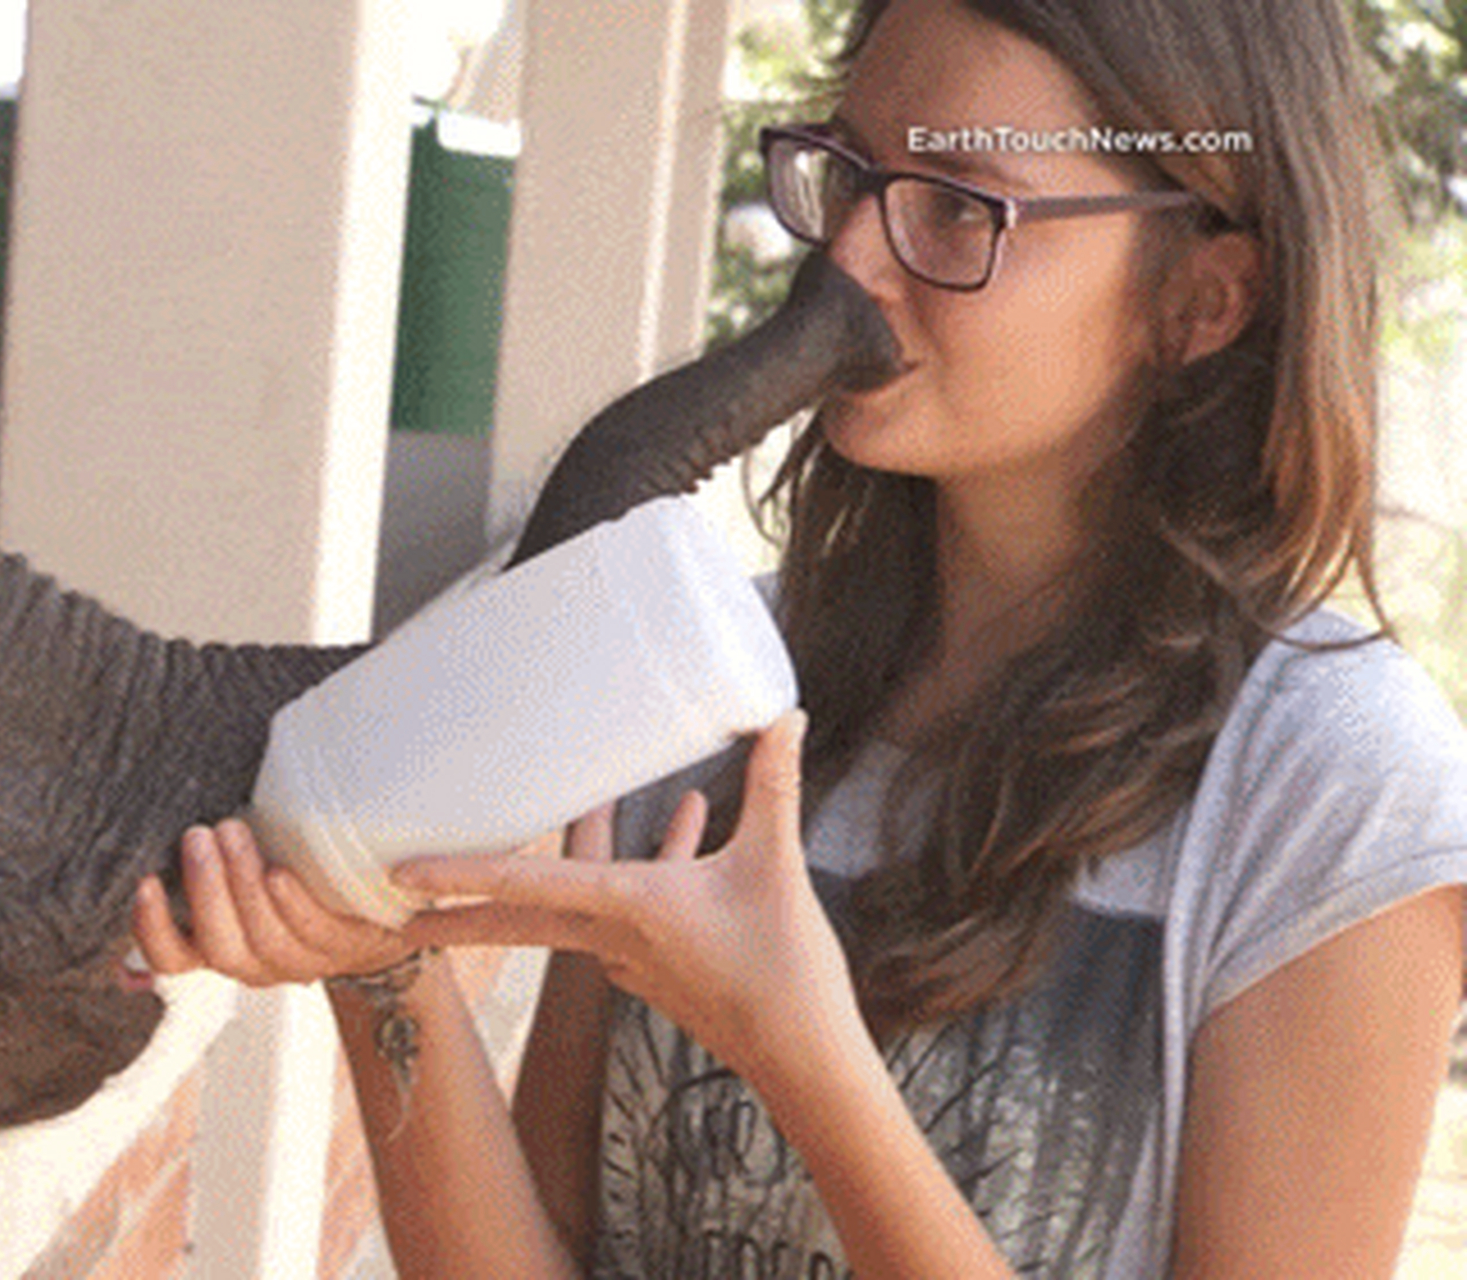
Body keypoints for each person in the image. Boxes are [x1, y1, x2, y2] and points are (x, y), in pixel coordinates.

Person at [133, 0, 1467, 1273]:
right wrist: (386, 978)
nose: (849, 263)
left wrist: (799, 1055)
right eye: (846, 173)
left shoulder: (1333, 792)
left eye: (956, 206)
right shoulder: (702, 690)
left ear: (1201, 301)